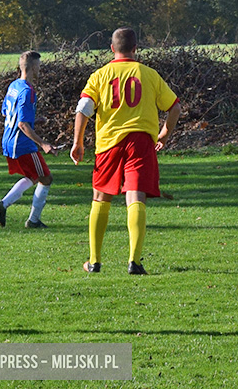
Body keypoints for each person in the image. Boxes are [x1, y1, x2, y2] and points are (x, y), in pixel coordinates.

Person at [71, 27, 181, 275]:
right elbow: (175, 107)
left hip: (109, 143)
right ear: (135, 48)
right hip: (141, 141)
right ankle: (134, 261)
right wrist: (165, 132)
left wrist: (78, 142)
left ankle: (95, 261)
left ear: (112, 49)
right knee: (136, 197)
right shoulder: (149, 74)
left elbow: (84, 108)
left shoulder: (100, 75)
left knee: (101, 197)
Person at [0, 51, 58, 229]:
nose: (40, 70)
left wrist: (34, 120)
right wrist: (44, 144)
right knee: (46, 178)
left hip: (8, 140)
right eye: (39, 67)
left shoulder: (14, 86)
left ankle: (5, 206)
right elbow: (22, 124)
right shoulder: (28, 92)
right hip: (21, 143)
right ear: (33, 67)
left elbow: (7, 113)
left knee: (33, 176)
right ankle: (32, 219)